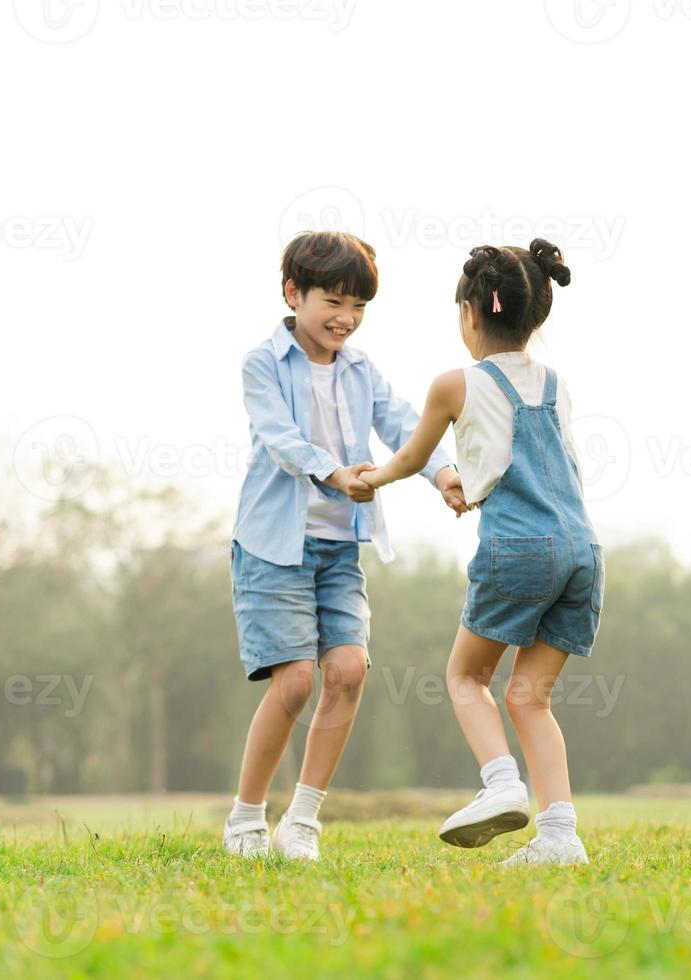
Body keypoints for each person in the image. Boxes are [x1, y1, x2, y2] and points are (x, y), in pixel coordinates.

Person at [224, 230, 466, 861]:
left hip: (340, 545)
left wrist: (442, 473)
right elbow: (279, 438)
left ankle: (302, 821)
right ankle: (246, 820)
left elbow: (404, 426)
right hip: (273, 546)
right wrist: (335, 472)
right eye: (334, 300)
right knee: (296, 682)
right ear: (292, 293)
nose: (347, 319)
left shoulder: (361, 369)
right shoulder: (262, 364)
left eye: (359, 306)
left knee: (350, 670)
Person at [360, 239, 603, 866]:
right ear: (536, 314)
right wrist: (471, 476)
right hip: (580, 550)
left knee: (467, 677)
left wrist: (374, 478)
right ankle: (560, 837)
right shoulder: (556, 383)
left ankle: (500, 785)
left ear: (471, 314)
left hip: (518, 547)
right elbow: (538, 459)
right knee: (531, 697)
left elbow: (414, 456)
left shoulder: (454, 383)